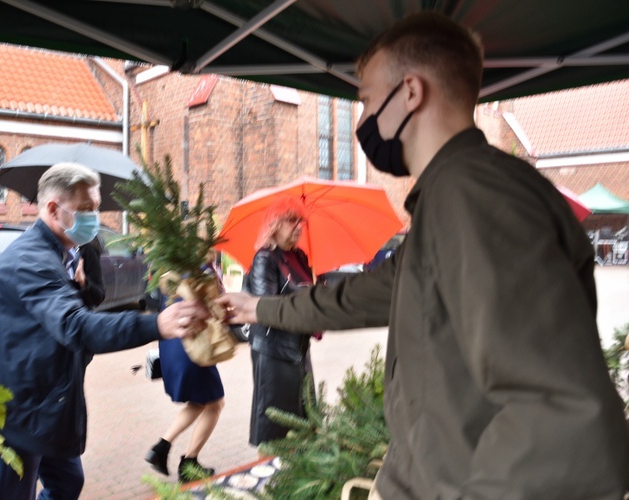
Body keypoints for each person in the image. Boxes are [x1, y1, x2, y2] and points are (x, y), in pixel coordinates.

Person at [217, 12, 629, 499]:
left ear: (410, 92)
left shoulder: (473, 194)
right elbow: (359, 297)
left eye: (367, 99)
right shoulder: (448, 198)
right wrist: (257, 307)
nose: (365, 120)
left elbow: (561, 417)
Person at [0, 162, 210, 500]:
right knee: (11, 494)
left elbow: (61, 315)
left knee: (67, 483)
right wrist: (156, 323)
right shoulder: (28, 260)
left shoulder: (66, 254)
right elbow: (74, 325)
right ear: (54, 209)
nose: (94, 218)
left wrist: (80, 288)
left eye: (96, 208)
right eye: (87, 209)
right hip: (15, 407)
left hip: (48, 401)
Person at [145, 247, 226, 483]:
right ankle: (188, 462)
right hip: (192, 346)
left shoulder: (169, 271)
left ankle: (161, 449)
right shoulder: (201, 274)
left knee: (202, 401)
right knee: (215, 403)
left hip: (171, 344)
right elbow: (215, 309)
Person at [246, 198, 317, 448]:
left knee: (303, 421)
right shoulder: (265, 258)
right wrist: (307, 303)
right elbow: (266, 308)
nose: (298, 226)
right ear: (274, 224)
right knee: (273, 431)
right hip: (273, 352)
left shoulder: (299, 256)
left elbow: (306, 295)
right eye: (291, 220)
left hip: (298, 350)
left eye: (301, 221)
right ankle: (269, 480)